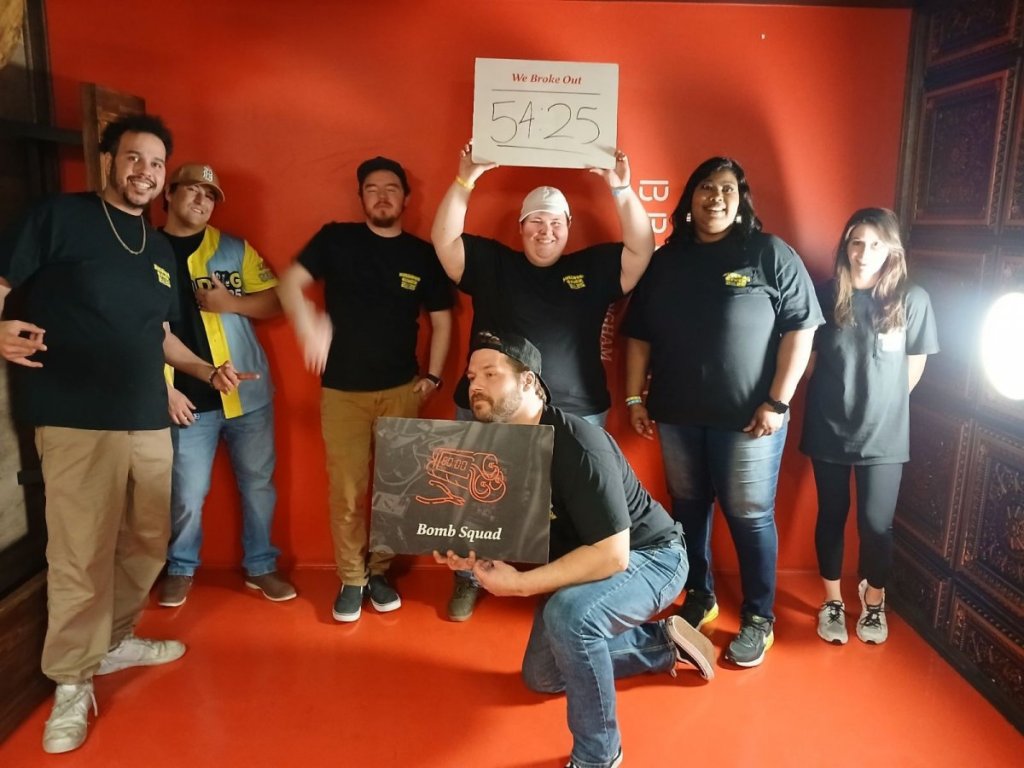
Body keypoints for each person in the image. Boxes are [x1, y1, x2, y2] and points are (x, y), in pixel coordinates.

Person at [0, 114, 251, 754]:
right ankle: (71, 680)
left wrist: (205, 370)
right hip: (75, 417)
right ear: (109, 159)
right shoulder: (59, 216)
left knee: (146, 538)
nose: (145, 171)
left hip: (146, 417)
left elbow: (159, 335)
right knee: (80, 552)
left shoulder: (158, 249)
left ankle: (112, 641)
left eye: (156, 163)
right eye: (134, 158)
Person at [435, 330, 713, 768]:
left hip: (652, 557)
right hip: (590, 562)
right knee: (542, 677)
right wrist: (474, 558)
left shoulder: (579, 444)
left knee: (570, 618)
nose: (476, 386)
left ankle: (599, 755)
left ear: (528, 381)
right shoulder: (500, 448)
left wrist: (521, 584)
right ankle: (662, 643)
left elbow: (613, 555)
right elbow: (513, 532)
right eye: (471, 377)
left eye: (490, 373)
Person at [431, 142, 655, 621]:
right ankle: (469, 579)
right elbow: (445, 242)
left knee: (575, 509)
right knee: (475, 499)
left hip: (575, 411)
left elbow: (641, 250)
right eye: (535, 221)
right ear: (521, 227)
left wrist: (621, 189)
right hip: (490, 408)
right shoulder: (494, 264)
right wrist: (465, 179)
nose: (545, 230)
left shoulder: (590, 268)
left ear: (568, 228)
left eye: (555, 222)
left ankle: (565, 588)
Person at [622, 156, 823, 668]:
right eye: (706, 187)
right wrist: (633, 397)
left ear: (741, 199)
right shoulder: (667, 261)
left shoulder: (768, 253)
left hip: (749, 421)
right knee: (688, 508)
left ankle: (759, 618)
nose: (716, 197)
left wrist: (777, 402)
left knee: (750, 516)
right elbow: (639, 334)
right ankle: (700, 595)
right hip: (677, 414)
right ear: (690, 198)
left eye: (727, 189)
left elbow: (801, 330)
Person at [278, 156, 453, 623]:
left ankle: (379, 572)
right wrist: (308, 323)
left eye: (391, 188)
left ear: (405, 198)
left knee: (396, 490)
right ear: (361, 198)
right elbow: (290, 282)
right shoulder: (336, 239)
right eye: (372, 188)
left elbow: (442, 320)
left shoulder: (421, 254)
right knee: (348, 491)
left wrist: (434, 377)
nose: (381, 196)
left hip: (402, 390)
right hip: (343, 394)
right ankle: (352, 578)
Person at [157, 162, 295, 608]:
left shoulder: (233, 249)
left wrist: (230, 302)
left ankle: (261, 566)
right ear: (168, 194)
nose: (202, 200)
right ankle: (180, 567)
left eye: (210, 195)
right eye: (192, 190)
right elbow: (136, 326)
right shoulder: (144, 249)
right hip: (183, 399)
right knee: (187, 494)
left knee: (258, 486)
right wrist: (162, 390)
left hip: (246, 395)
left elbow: (278, 300)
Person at [800, 207, 938, 645]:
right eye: (857, 242)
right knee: (831, 515)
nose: (864, 252)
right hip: (828, 428)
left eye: (875, 244)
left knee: (877, 525)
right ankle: (832, 602)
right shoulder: (825, 295)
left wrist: (882, 406)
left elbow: (914, 368)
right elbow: (809, 363)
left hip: (884, 434)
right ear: (846, 246)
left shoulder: (912, 299)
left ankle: (873, 601)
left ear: (891, 249)